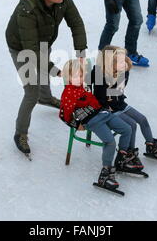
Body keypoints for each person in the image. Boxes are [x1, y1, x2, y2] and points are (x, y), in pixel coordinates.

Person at [5, 0, 88, 156]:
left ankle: (46, 97)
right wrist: (58, 72)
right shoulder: (26, 11)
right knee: (31, 91)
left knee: (44, 66)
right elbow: (32, 53)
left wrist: (81, 52)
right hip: (21, 47)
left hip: (42, 41)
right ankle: (20, 133)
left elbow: (76, 22)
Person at [60, 59, 140, 191]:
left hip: (103, 113)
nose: (79, 79)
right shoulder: (68, 94)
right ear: (67, 77)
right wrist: (76, 125)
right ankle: (105, 173)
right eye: (75, 76)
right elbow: (64, 115)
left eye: (80, 76)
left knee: (127, 129)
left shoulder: (82, 87)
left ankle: (121, 159)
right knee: (110, 142)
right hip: (92, 121)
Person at [92, 46, 157, 166]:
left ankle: (151, 146)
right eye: (120, 61)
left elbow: (119, 90)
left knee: (142, 119)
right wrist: (113, 88)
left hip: (119, 103)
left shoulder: (123, 72)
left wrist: (120, 77)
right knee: (131, 125)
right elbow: (100, 95)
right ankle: (128, 153)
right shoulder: (98, 73)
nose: (125, 63)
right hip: (107, 108)